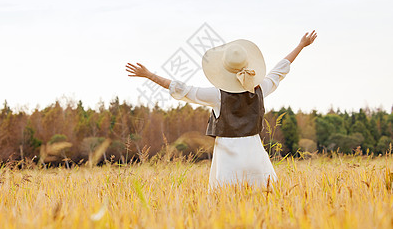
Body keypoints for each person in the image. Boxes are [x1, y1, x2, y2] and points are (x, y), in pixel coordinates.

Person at [126, 30, 317, 189]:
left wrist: (149, 75)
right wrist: (300, 45)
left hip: (228, 154)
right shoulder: (261, 89)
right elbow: (279, 70)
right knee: (263, 198)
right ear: (248, 66)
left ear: (224, 70)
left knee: (226, 201)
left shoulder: (217, 96)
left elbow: (181, 89)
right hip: (255, 151)